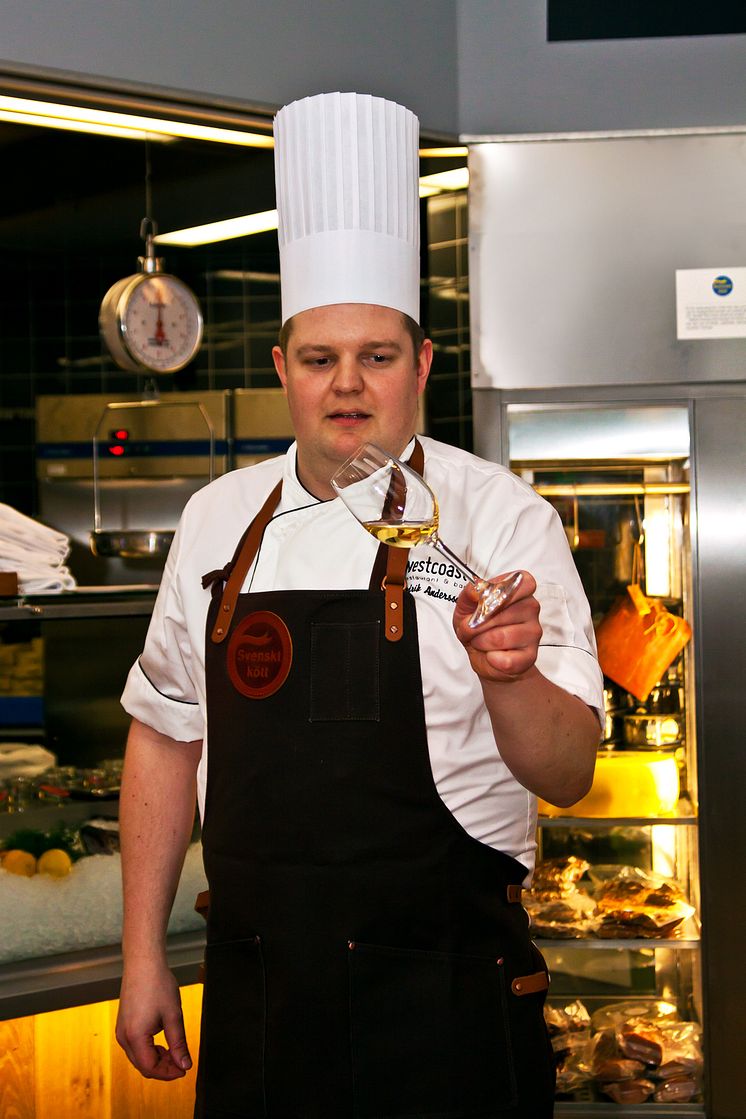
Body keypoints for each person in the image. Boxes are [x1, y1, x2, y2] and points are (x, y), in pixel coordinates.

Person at [115, 92, 603, 1119]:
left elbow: (564, 775)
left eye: (376, 357)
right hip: (262, 992)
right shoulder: (216, 520)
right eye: (319, 359)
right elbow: (164, 739)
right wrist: (142, 954)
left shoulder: (498, 519)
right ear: (282, 368)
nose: (348, 387)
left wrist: (505, 674)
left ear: (420, 366)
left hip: (445, 988)